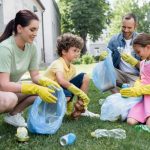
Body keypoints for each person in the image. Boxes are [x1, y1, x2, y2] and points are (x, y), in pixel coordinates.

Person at [0, 10, 60, 127]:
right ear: (19, 28)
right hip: (3, 89)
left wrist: (48, 83)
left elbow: (35, 76)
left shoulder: (31, 47)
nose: (35, 33)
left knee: (44, 89)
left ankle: (13, 116)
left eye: (37, 30)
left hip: (4, 90)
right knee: (10, 99)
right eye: (32, 29)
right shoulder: (5, 48)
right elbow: (3, 85)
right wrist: (34, 88)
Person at [43, 33, 98, 119]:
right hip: (48, 91)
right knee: (67, 95)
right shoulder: (58, 63)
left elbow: (67, 86)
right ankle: (51, 113)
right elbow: (61, 81)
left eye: (79, 51)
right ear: (64, 51)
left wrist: (72, 101)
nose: (77, 53)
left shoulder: (72, 68)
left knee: (85, 77)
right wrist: (78, 92)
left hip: (60, 90)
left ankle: (81, 109)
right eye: (74, 50)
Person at [99, 13, 140, 92]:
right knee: (103, 70)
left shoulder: (141, 41)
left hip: (136, 77)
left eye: (129, 28)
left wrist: (135, 62)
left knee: (132, 94)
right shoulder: (114, 40)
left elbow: (147, 67)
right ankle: (116, 97)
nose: (126, 30)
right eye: (123, 27)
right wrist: (102, 59)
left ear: (135, 27)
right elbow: (107, 61)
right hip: (119, 74)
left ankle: (130, 88)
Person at [120, 33, 150, 126]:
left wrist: (140, 90)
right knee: (130, 122)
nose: (137, 55)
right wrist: (135, 87)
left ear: (148, 47)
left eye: (138, 51)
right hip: (144, 98)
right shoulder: (142, 63)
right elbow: (141, 78)